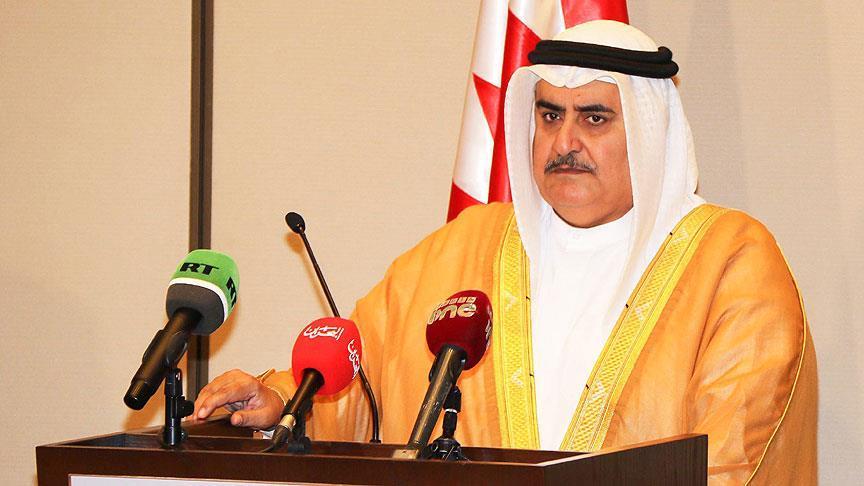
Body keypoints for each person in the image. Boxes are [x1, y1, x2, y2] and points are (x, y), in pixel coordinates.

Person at [194, 20, 816, 484]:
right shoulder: (467, 246)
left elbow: (732, 457)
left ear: (650, 132)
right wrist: (284, 402)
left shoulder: (732, 262)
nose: (564, 142)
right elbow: (365, 377)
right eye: (549, 116)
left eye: (594, 119)